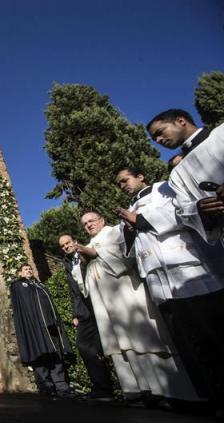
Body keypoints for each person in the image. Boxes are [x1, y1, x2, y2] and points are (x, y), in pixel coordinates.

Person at [115, 167, 224, 404]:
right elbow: (129, 249)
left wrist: (140, 220)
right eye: (119, 184)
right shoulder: (129, 208)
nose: (123, 185)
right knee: (187, 343)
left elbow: (185, 214)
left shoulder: (164, 189)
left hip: (186, 271)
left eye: (125, 180)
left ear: (140, 176)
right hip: (160, 283)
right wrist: (130, 229)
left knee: (210, 332)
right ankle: (209, 397)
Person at [79, 211, 200, 403]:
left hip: (127, 296)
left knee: (142, 338)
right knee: (121, 344)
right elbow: (83, 282)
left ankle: (167, 390)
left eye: (91, 221)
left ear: (102, 219)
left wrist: (97, 253)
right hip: (106, 304)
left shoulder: (114, 232)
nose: (88, 225)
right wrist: (85, 262)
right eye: (84, 224)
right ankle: (137, 390)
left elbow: (128, 256)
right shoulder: (87, 245)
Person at [147, 109, 224, 246]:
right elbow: (184, 208)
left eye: (160, 132)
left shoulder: (221, 133)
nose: (158, 140)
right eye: (154, 139)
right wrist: (200, 209)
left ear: (181, 121)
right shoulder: (176, 173)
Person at [59, 235, 113, 401]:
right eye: (62, 246)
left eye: (67, 243)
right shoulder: (67, 262)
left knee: (109, 346)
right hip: (84, 310)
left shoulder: (86, 252)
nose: (66, 247)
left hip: (99, 303)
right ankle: (102, 389)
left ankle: (125, 388)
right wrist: (75, 313)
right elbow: (73, 290)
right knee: (83, 346)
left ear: (74, 241)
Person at [10, 264, 75, 398]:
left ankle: (62, 386)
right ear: (20, 273)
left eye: (30, 269)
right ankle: (47, 387)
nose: (29, 271)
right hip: (35, 327)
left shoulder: (40, 286)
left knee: (56, 354)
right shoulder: (18, 286)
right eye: (25, 269)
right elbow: (24, 307)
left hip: (50, 326)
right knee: (40, 354)